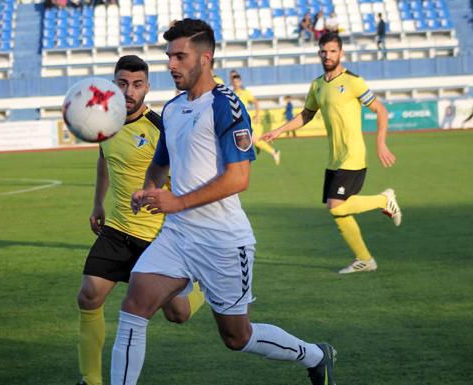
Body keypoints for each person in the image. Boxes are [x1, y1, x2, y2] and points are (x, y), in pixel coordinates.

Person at [110, 18, 337, 385]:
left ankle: (315, 355)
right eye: (169, 56)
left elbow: (239, 178)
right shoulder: (172, 109)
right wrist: (148, 188)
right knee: (134, 306)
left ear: (205, 58)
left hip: (223, 242)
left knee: (237, 337)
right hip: (178, 235)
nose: (171, 65)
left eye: (180, 56)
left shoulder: (226, 106)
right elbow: (160, 163)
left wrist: (177, 202)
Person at [75, 55, 205, 385]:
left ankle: (204, 285)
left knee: (178, 314)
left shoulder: (161, 128)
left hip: (158, 236)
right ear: (113, 84)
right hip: (118, 227)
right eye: (122, 83)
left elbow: (188, 176)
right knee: (89, 295)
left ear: (147, 87)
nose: (129, 91)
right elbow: (104, 160)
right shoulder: (104, 121)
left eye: (137, 84)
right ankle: (90, 380)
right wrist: (97, 204)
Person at [262, 33, 402, 274]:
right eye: (324, 51)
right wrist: (279, 130)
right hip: (334, 158)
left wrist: (381, 143)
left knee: (336, 206)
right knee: (339, 213)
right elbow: (306, 115)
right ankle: (365, 260)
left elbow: (381, 111)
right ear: (319, 52)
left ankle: (384, 199)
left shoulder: (353, 81)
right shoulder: (317, 85)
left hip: (353, 155)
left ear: (341, 54)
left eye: (333, 51)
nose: (328, 55)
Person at [231, 72, 281, 165]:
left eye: (237, 81)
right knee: (247, 141)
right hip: (237, 122)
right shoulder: (232, 94)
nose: (236, 83)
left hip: (246, 120)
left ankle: (273, 152)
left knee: (253, 140)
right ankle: (269, 152)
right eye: (234, 82)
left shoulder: (245, 93)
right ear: (232, 83)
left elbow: (256, 102)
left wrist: (257, 115)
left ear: (240, 82)